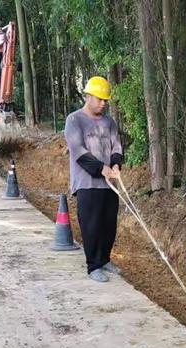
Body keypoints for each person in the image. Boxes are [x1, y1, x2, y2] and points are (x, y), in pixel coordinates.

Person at [64, 76, 123, 283]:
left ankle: (105, 259)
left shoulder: (109, 122)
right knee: (91, 225)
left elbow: (117, 146)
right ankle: (93, 265)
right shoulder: (74, 120)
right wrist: (101, 168)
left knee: (109, 224)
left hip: (108, 184)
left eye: (105, 100)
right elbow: (78, 151)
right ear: (88, 96)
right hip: (87, 184)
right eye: (99, 99)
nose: (103, 103)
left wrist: (115, 164)